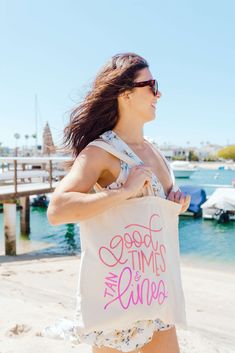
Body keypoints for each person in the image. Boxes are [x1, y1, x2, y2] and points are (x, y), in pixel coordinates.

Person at [46, 52, 191, 353]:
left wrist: (176, 206)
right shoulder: (102, 151)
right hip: (117, 298)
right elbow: (57, 210)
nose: (158, 93)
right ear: (125, 93)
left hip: (156, 295)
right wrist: (122, 192)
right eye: (151, 85)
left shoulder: (154, 151)